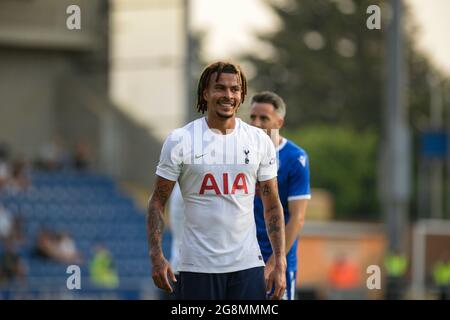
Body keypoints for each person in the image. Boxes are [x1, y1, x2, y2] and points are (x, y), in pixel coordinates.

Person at [147, 61, 287, 300]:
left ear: (242, 94)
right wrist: (156, 256)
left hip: (247, 266)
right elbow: (157, 202)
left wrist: (279, 261)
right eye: (220, 88)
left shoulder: (258, 141)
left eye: (234, 89)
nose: (228, 95)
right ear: (205, 92)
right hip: (196, 268)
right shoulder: (180, 140)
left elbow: (272, 205)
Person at [249, 91, 311, 300]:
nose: (256, 123)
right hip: (242, 259)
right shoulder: (240, 154)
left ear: (279, 122)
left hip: (276, 261)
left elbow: (298, 217)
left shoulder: (295, 158)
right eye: (253, 117)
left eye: (264, 118)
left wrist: (275, 261)